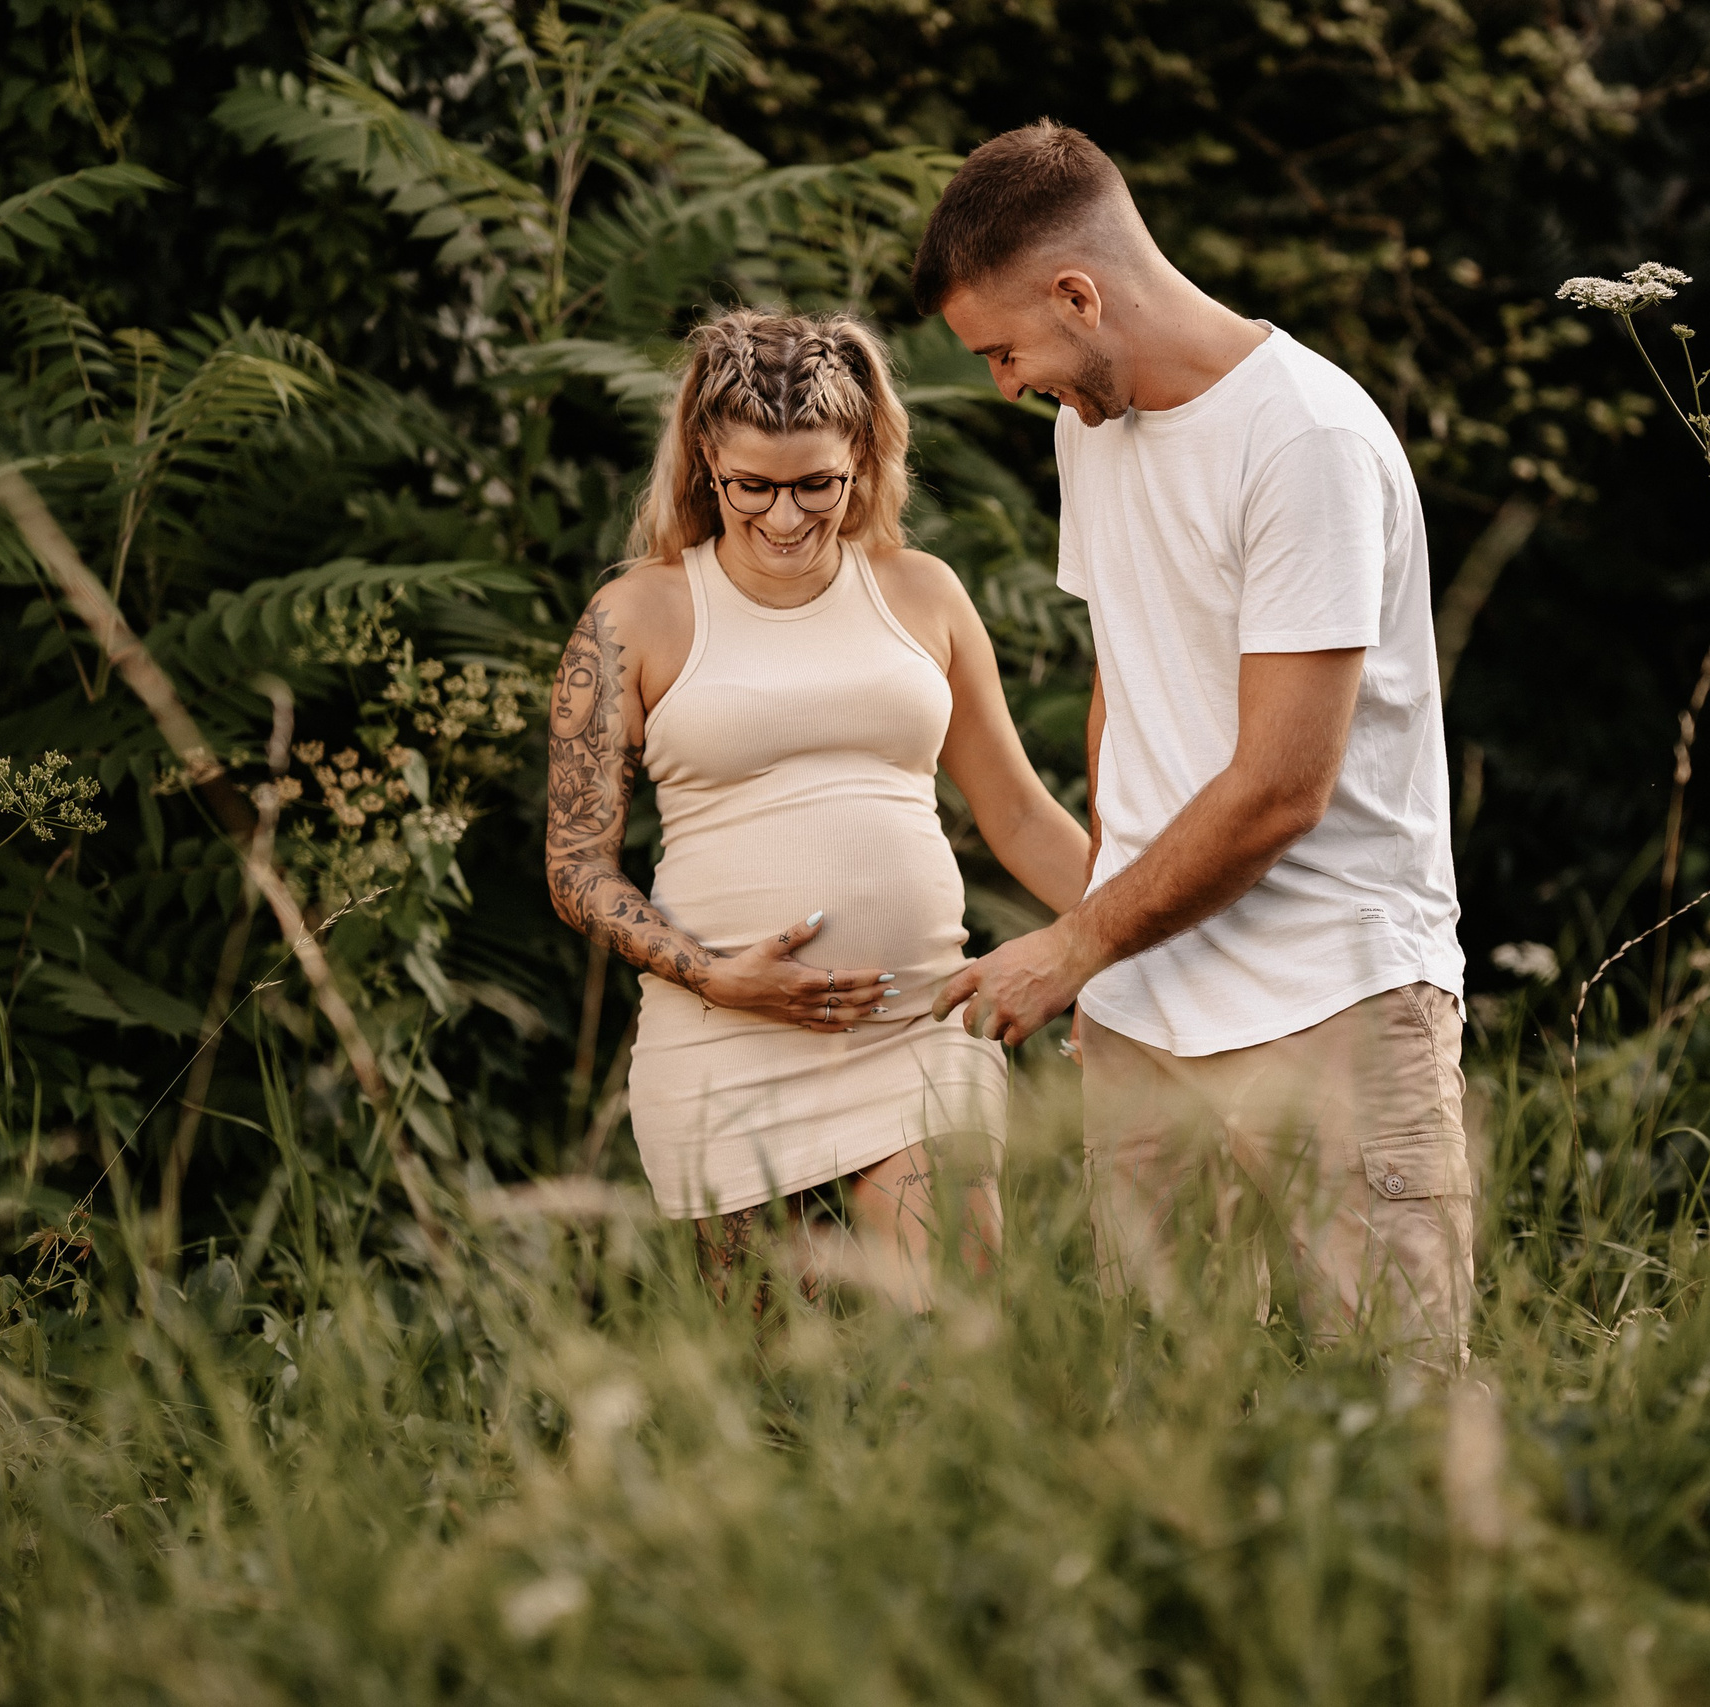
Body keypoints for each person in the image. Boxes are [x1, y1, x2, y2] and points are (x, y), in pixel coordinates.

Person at [912, 121, 1472, 1354]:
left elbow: (1281, 786)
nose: (1004, 385)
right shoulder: (1090, 427)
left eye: (1004, 350)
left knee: (1392, 1402)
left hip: (1333, 995)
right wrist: (1111, 952)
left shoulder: (1304, 441)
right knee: (1165, 1419)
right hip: (1147, 1006)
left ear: (1078, 292)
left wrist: (1072, 944)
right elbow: (1126, 684)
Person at [544, 308, 1091, 1303]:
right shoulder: (635, 616)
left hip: (916, 1023)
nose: (787, 518)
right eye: (753, 486)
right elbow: (576, 867)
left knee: (954, 1334)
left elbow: (1016, 815)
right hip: (722, 1039)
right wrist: (714, 976)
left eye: (817, 486)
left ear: (863, 457)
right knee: (762, 1390)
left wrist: (1119, 940)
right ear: (705, 460)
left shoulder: (921, 593)